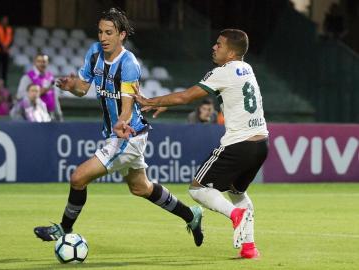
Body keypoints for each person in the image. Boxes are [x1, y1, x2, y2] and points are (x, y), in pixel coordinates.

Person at [33, 8, 203, 247]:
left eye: (109, 33)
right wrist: (71, 86)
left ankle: (64, 228)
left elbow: (126, 106)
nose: (103, 37)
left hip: (128, 135)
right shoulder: (94, 53)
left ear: (122, 35)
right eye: (101, 32)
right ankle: (191, 215)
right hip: (124, 132)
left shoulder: (129, 64)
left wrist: (121, 124)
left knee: (78, 177)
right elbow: (82, 89)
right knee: (140, 187)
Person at [132, 29, 268, 259]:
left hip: (239, 143)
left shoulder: (223, 71)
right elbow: (199, 95)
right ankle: (249, 247)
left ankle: (236, 215)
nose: (214, 47)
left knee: (198, 188)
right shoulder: (247, 69)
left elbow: (186, 96)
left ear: (232, 52)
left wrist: (151, 101)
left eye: (219, 44)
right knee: (237, 191)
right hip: (261, 143)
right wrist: (169, 102)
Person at [16, 54, 63, 121]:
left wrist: (59, 114)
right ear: (35, 62)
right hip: (34, 116)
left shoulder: (50, 77)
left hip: (51, 116)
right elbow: (20, 95)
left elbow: (54, 97)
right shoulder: (28, 77)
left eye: (44, 61)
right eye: (39, 61)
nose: (42, 64)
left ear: (47, 63)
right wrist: (40, 92)